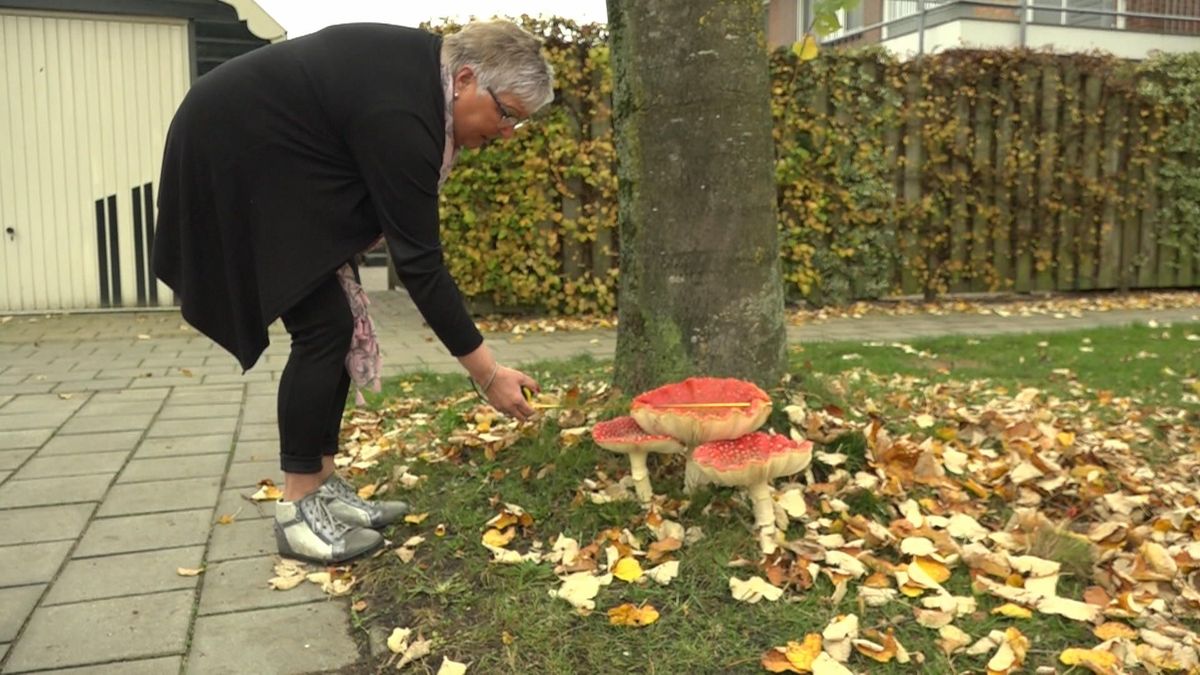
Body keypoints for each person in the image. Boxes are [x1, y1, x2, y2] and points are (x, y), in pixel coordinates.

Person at [152, 20, 551, 564]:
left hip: (270, 153)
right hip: (232, 153)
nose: (506, 134)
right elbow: (420, 265)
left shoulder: (418, 82)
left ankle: (321, 483)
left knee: (335, 326)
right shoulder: (406, 115)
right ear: (464, 79)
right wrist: (487, 374)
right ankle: (297, 509)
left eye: (518, 125)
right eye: (507, 115)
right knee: (324, 329)